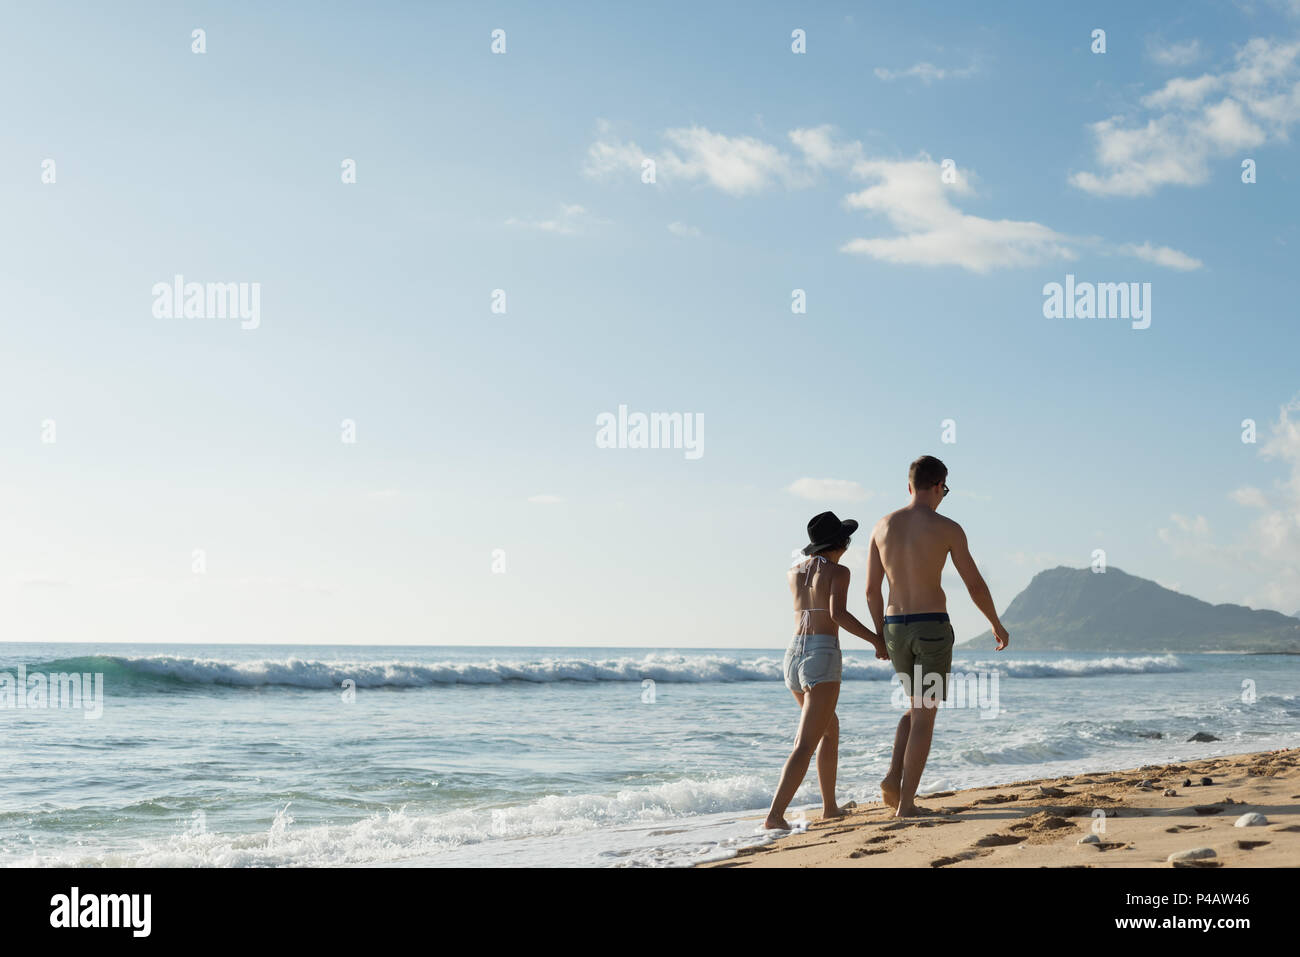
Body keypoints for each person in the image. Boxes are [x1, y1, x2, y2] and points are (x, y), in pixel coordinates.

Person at [865, 456, 1010, 818]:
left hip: (894, 626)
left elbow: (871, 590)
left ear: (909, 486)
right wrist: (995, 622)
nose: (944, 495)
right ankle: (907, 805)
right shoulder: (947, 528)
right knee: (925, 715)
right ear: (937, 485)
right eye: (945, 489)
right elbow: (974, 583)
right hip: (930, 627)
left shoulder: (881, 527)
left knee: (915, 707)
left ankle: (893, 778)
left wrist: (879, 636)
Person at [764, 511, 887, 830]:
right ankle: (775, 816)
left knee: (829, 729)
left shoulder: (794, 571)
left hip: (792, 655)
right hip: (821, 655)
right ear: (841, 543)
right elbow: (837, 614)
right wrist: (877, 640)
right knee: (805, 743)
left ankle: (830, 807)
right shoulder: (839, 571)